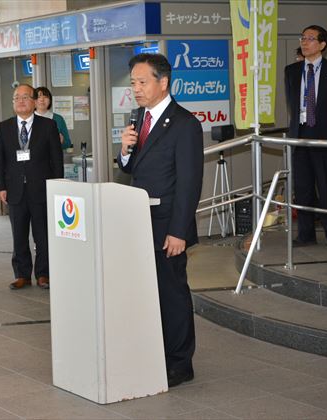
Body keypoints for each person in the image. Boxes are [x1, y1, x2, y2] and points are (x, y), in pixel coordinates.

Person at [118, 53, 203, 388]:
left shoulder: (184, 124)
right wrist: (125, 151)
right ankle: (155, 353)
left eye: (142, 82)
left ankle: (181, 363)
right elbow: (131, 168)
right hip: (139, 223)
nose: (136, 89)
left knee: (172, 295)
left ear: (163, 82)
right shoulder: (138, 118)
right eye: (133, 83)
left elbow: (189, 182)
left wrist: (179, 231)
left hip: (167, 226)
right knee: (146, 294)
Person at [0, 84, 64, 290]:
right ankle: (22, 274)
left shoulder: (47, 126)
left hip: (41, 189)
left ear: (34, 101)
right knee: (19, 234)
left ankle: (43, 273)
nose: (21, 101)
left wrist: (56, 186)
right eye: (17, 98)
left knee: (42, 234)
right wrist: (0, 187)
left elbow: (56, 160)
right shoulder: (4, 127)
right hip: (15, 190)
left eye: (25, 97)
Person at [284, 25, 327, 248]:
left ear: (322, 44)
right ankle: (306, 234)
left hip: (324, 136)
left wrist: (326, 125)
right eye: (303, 38)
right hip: (300, 135)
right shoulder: (291, 71)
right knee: (303, 189)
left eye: (310, 38)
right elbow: (292, 102)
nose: (305, 42)